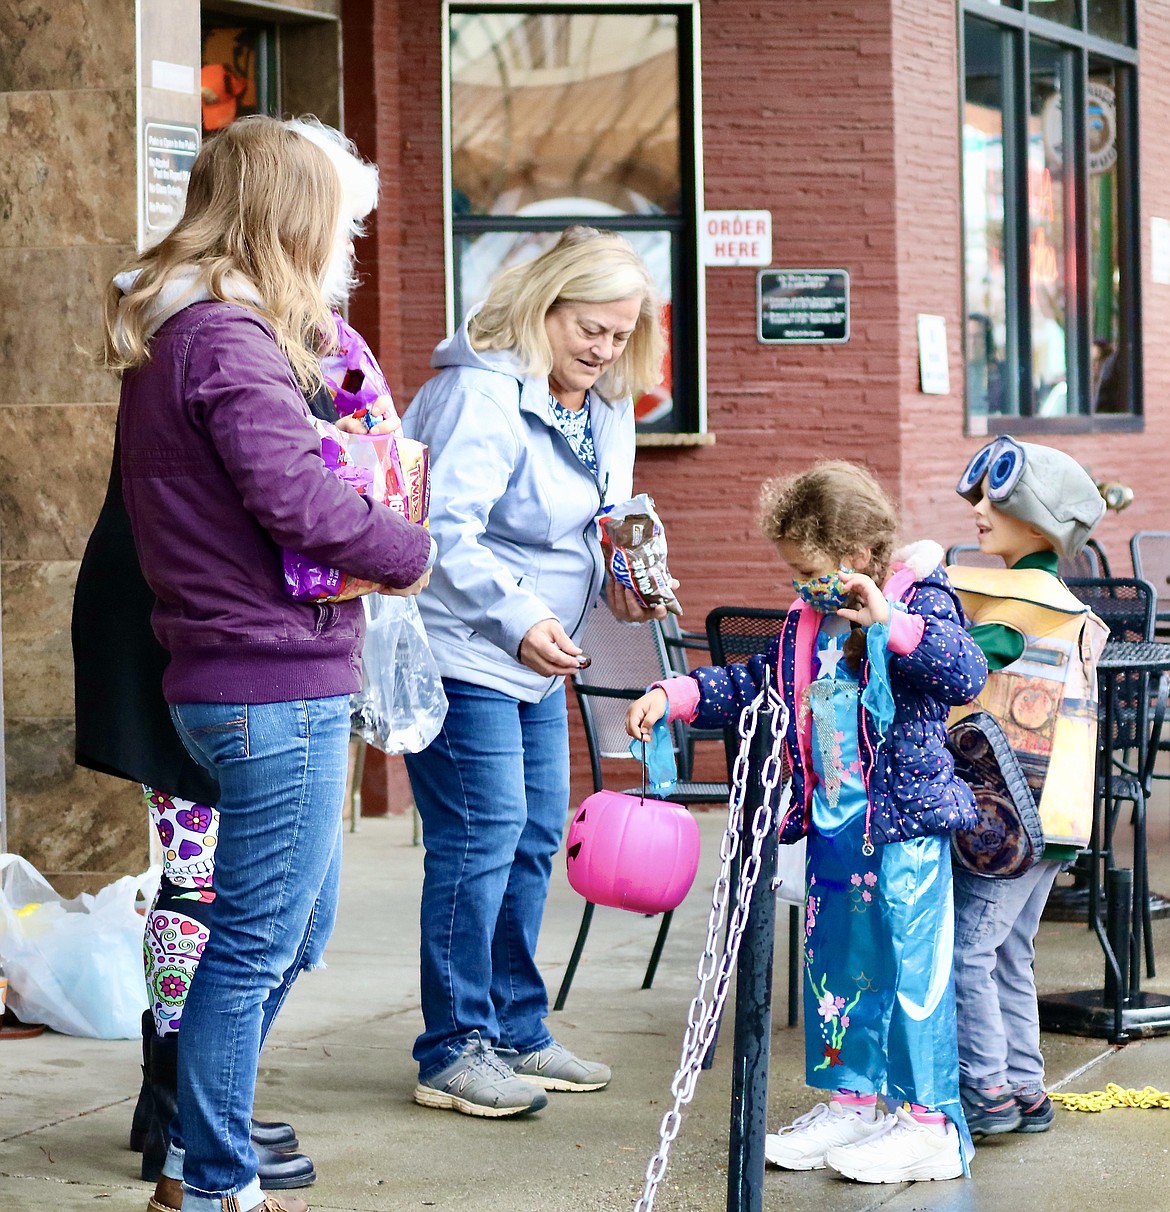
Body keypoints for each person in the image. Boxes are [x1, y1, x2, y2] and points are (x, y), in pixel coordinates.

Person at [96, 115, 433, 1212]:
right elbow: (293, 497)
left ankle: (201, 1155)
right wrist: (406, 552)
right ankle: (213, 1184)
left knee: (289, 936)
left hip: (247, 680)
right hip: (268, 684)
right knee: (248, 950)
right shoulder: (227, 339)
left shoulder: (186, 331)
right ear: (295, 215)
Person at [626, 461, 988, 1183]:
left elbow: (965, 674)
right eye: (794, 572)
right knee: (838, 970)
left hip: (903, 823)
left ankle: (929, 1124)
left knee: (910, 970)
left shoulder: (919, 598)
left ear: (857, 554)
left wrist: (894, 626)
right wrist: (679, 693)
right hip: (833, 826)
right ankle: (852, 1102)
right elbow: (755, 684)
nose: (801, 584)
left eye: (809, 569)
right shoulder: (804, 624)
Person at [400, 225, 668, 1118]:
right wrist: (522, 619)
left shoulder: (606, 404)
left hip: (539, 653)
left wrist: (626, 585)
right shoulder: (477, 392)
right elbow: (439, 533)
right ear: (542, 307)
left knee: (530, 839)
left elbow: (605, 517)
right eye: (588, 327)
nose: (602, 348)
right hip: (465, 645)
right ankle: (451, 1048)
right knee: (478, 841)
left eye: (620, 334)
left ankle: (515, 1026)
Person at [947, 436, 1107, 1138]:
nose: (978, 510)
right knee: (1010, 950)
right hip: (1057, 813)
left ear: (1039, 519)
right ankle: (1025, 1087)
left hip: (1009, 814)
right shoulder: (1060, 601)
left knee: (967, 953)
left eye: (995, 499)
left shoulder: (1024, 600)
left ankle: (985, 1092)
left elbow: (975, 655)